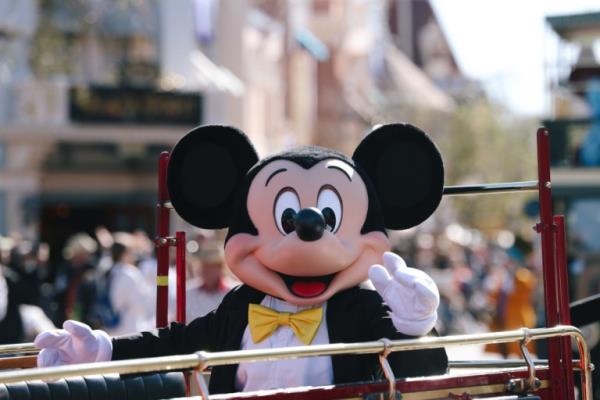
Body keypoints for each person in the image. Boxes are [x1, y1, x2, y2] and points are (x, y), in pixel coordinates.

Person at [104, 234, 154, 336]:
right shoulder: (130, 273)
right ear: (124, 254)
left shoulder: (109, 271)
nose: (134, 256)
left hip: (113, 326)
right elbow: (140, 305)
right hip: (130, 328)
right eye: (132, 252)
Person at [52, 233, 98, 326]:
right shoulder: (65, 268)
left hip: (85, 316)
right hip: (65, 312)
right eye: (80, 253)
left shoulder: (92, 270)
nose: (84, 257)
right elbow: (59, 288)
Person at [186, 241, 235, 320]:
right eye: (205, 266)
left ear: (220, 268)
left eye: (212, 266)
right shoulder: (188, 292)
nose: (207, 270)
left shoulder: (233, 292)